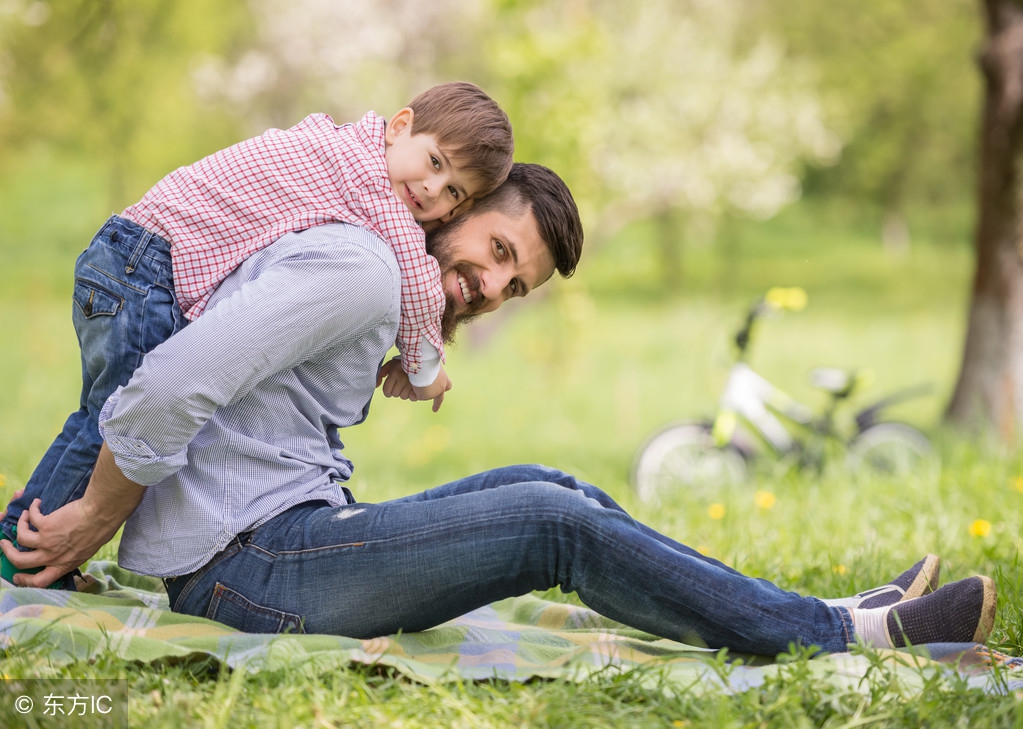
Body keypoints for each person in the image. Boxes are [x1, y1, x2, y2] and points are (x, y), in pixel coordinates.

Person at [2, 164, 996, 656]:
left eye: (512, 286)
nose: (487, 285)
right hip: (246, 569)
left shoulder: (373, 273)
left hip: (282, 536)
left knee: (548, 485)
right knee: (553, 523)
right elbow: (166, 383)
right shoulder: (357, 269)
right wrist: (95, 514)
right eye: (498, 253)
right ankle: (843, 637)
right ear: (455, 204)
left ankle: (822, 610)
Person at [0, 82, 515, 585]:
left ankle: (27, 550)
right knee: (115, 422)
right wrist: (426, 368)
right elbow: (419, 277)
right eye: (434, 162)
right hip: (146, 267)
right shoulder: (368, 178)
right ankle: (25, 561)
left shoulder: (343, 147)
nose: (431, 190)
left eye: (453, 192)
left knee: (96, 416)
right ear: (400, 127)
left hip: (127, 257)